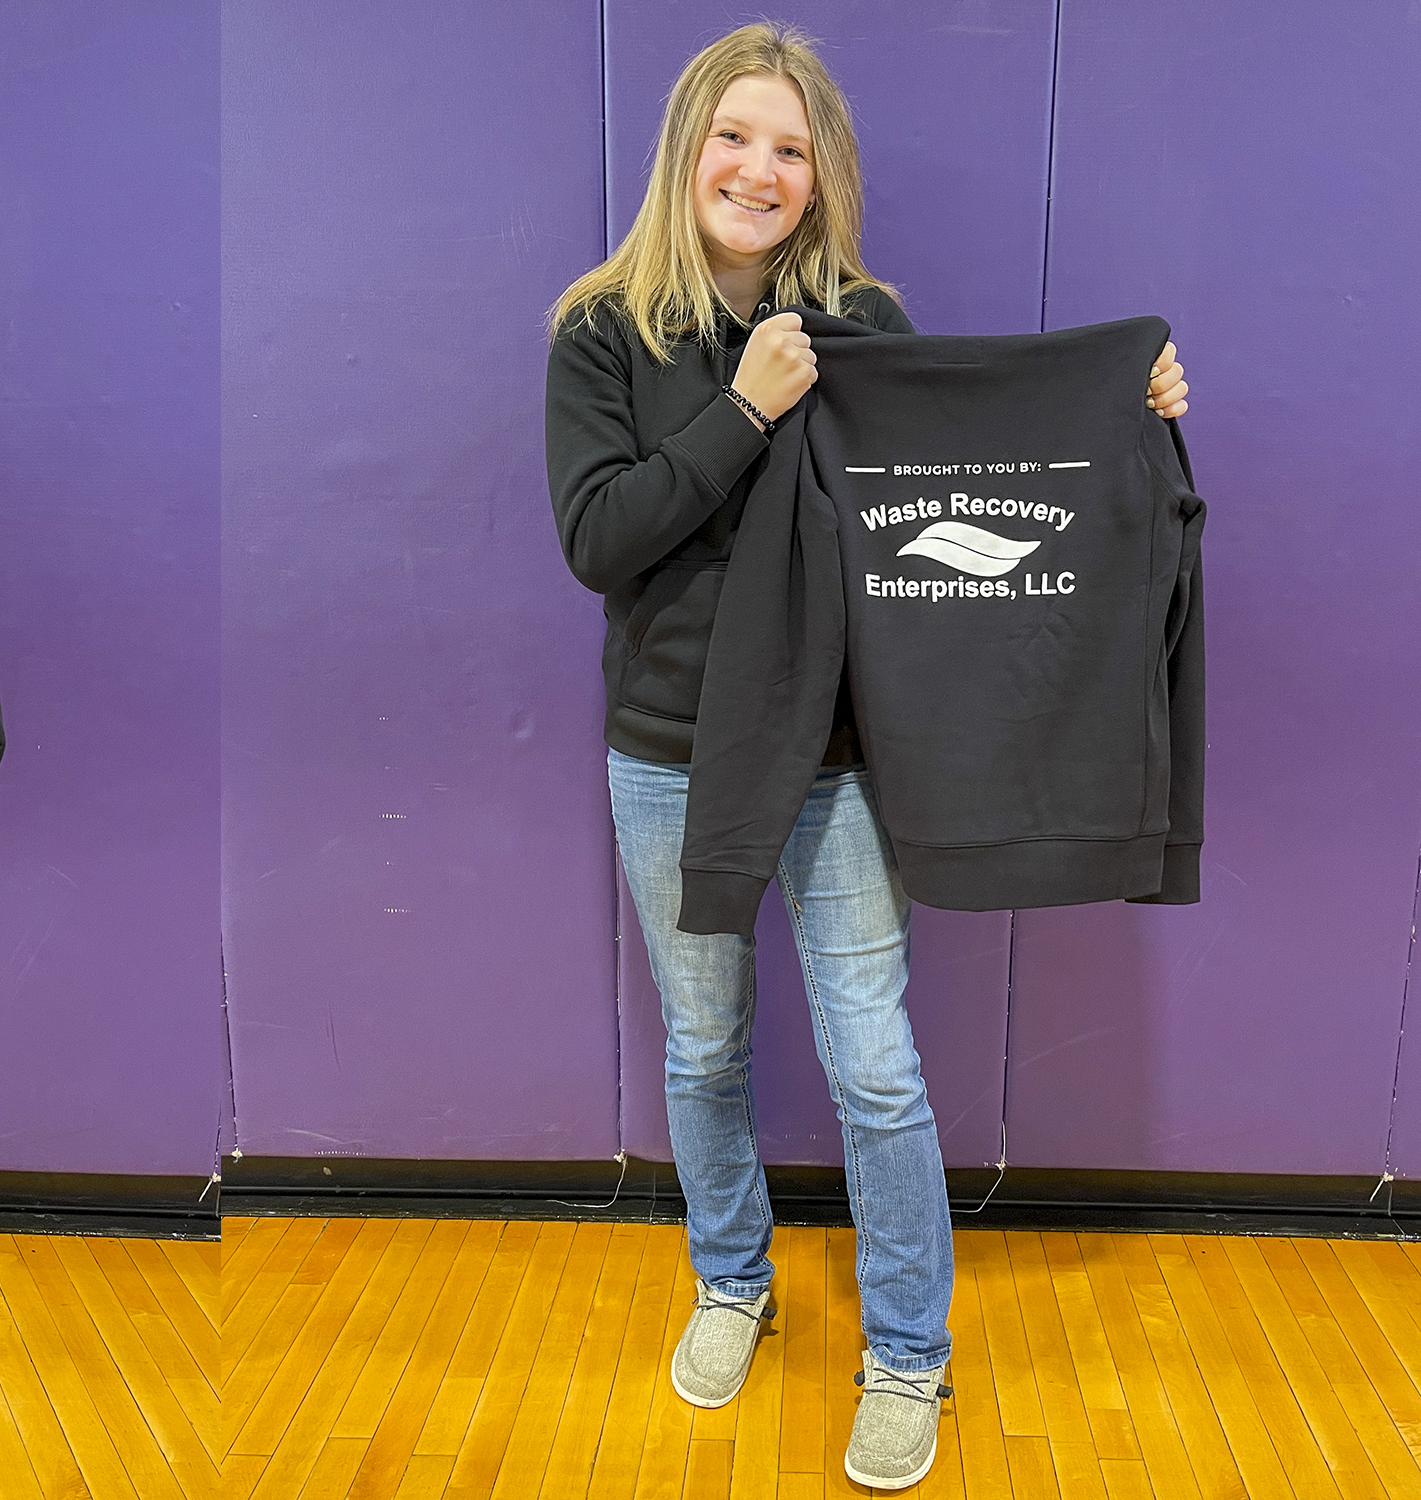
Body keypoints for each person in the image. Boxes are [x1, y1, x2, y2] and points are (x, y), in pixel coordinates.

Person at [543, 23, 1186, 1491]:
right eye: (736, 138)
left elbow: (973, 464)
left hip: (839, 748)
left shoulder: (871, 324)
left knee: (875, 1062)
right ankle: (732, 1279)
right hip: (670, 750)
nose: (759, 170)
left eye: (791, 148)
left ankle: (907, 1352)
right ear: (685, 150)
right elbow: (601, 539)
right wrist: (746, 406)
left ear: (821, 177)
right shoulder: (603, 330)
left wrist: (1123, 413)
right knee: (704, 1045)